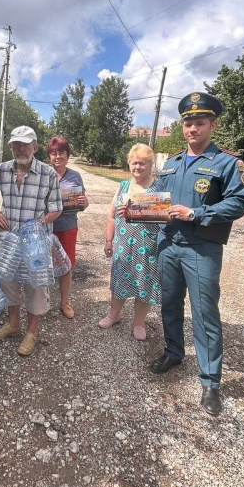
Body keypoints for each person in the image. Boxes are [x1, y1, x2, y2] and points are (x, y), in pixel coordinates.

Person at [150, 92, 244, 417]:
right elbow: (156, 196)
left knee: (205, 313)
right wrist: (136, 206)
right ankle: (174, 352)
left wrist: (195, 213)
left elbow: (239, 202)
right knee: (169, 303)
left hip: (201, 247)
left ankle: (210, 382)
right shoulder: (171, 163)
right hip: (168, 245)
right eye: (187, 122)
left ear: (212, 125)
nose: (192, 128)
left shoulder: (227, 163)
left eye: (199, 122)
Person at [0, 126, 62, 356]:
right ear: (10, 147)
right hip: (8, 241)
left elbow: (56, 208)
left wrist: (39, 223)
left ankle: (32, 332)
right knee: (9, 282)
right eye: (16, 144)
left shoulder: (47, 173)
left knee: (35, 286)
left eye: (25, 144)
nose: (20, 148)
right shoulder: (1, 170)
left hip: (35, 244)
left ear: (35, 147)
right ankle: (14, 325)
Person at [99, 143, 161, 341]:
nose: (137, 167)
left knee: (145, 282)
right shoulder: (123, 186)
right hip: (123, 243)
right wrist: (108, 240)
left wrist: (145, 210)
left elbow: (164, 216)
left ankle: (139, 323)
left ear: (150, 164)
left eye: (142, 163)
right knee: (120, 280)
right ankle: (114, 315)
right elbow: (110, 216)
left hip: (148, 244)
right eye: (134, 163)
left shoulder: (158, 187)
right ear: (129, 164)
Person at [47, 136, 89, 319]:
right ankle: (43, 302)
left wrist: (85, 203)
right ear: (49, 156)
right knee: (44, 266)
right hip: (45, 227)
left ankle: (64, 302)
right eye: (53, 153)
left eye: (61, 153)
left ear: (67, 155)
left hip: (67, 227)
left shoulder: (75, 176)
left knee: (65, 266)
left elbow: (82, 202)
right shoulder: (43, 173)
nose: (57, 157)